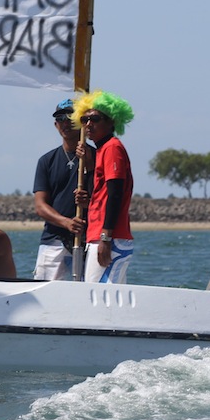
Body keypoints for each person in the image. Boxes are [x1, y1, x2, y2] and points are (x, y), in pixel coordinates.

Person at [73, 91, 135, 284]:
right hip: (99, 235)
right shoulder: (101, 151)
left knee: (99, 296)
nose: (88, 124)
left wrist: (105, 237)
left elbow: (115, 194)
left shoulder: (112, 148)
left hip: (110, 237)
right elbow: (101, 191)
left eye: (95, 119)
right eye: (85, 119)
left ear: (111, 122)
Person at [33, 99, 94, 280]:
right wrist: (66, 222)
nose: (65, 123)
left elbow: (107, 198)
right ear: (55, 124)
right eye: (61, 119)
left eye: (71, 117)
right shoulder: (47, 161)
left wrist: (88, 202)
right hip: (54, 240)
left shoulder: (96, 157)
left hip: (88, 240)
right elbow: (40, 205)